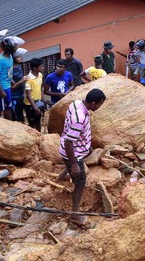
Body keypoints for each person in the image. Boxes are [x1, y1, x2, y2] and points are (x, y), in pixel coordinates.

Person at [58, 88, 107, 227]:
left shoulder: (76, 104)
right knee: (80, 183)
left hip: (76, 148)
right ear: (92, 103)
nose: (99, 107)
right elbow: (69, 142)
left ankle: (62, 176)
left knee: (77, 163)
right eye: (99, 105)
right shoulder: (79, 118)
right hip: (72, 152)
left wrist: (87, 145)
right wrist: (74, 164)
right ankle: (75, 214)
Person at [0, 36, 21, 119]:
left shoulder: (10, 57)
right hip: (2, 86)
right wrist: (1, 90)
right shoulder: (0, 60)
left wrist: (11, 79)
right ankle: (8, 123)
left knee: (0, 105)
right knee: (7, 107)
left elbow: (7, 70)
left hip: (6, 84)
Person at [24, 58, 46, 131]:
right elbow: (28, 95)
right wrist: (35, 108)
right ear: (34, 68)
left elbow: (40, 88)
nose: (42, 68)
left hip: (38, 102)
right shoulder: (28, 79)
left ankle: (39, 136)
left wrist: (43, 100)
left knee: (38, 121)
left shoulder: (40, 75)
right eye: (40, 67)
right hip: (30, 104)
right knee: (31, 123)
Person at [10, 48, 28, 122]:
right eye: (18, 56)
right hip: (14, 97)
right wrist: (22, 81)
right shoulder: (10, 69)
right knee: (16, 118)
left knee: (20, 115)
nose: (21, 58)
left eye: (21, 56)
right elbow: (11, 87)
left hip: (20, 96)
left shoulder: (19, 67)